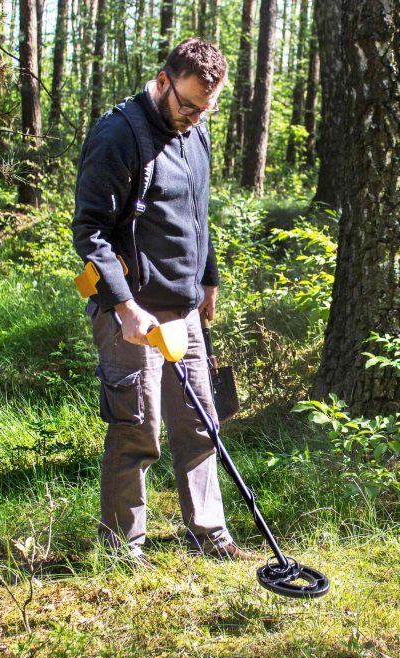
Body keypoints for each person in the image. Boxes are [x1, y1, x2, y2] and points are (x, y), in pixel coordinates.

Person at [71, 38, 254, 565]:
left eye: (205, 108)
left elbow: (198, 216)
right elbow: (91, 232)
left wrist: (209, 281)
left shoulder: (196, 134)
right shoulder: (118, 135)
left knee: (201, 425)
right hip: (134, 315)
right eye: (187, 105)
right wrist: (124, 305)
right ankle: (123, 547)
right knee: (137, 430)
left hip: (185, 309)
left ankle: (210, 533)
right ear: (162, 81)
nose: (195, 117)